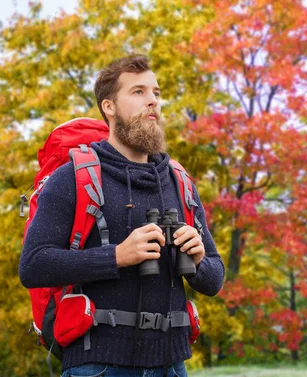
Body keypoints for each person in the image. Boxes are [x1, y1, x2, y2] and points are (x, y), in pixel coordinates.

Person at [20, 55, 225, 377]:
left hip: (172, 365)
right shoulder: (73, 177)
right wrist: (117, 256)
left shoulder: (179, 181)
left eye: (156, 93)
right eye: (139, 92)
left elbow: (214, 280)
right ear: (109, 106)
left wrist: (199, 260)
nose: (153, 102)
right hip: (98, 365)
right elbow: (33, 266)